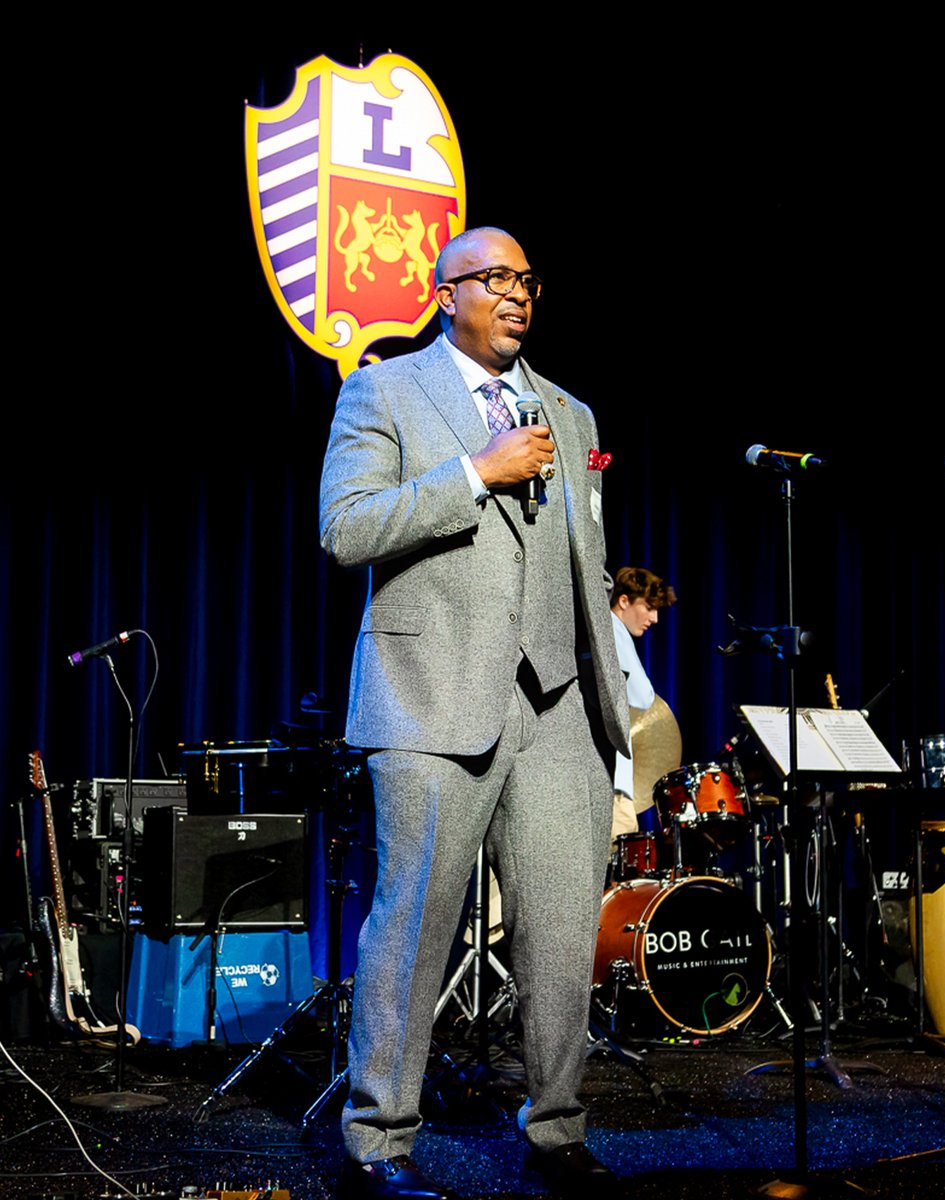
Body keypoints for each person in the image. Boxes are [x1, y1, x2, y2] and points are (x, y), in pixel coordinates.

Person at [319, 227, 629, 1200]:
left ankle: (557, 1131)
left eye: (527, 279)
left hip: (556, 709)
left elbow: (586, 561)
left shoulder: (569, 414)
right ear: (445, 292)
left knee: (561, 930)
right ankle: (378, 1143)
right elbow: (347, 526)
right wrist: (477, 474)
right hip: (430, 699)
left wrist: (607, 701)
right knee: (411, 931)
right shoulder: (384, 391)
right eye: (494, 278)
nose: (517, 294)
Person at [609, 567, 678, 842]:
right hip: (610, 789)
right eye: (649, 607)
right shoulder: (612, 630)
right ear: (623, 601)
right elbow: (642, 696)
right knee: (615, 882)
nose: (655, 618)